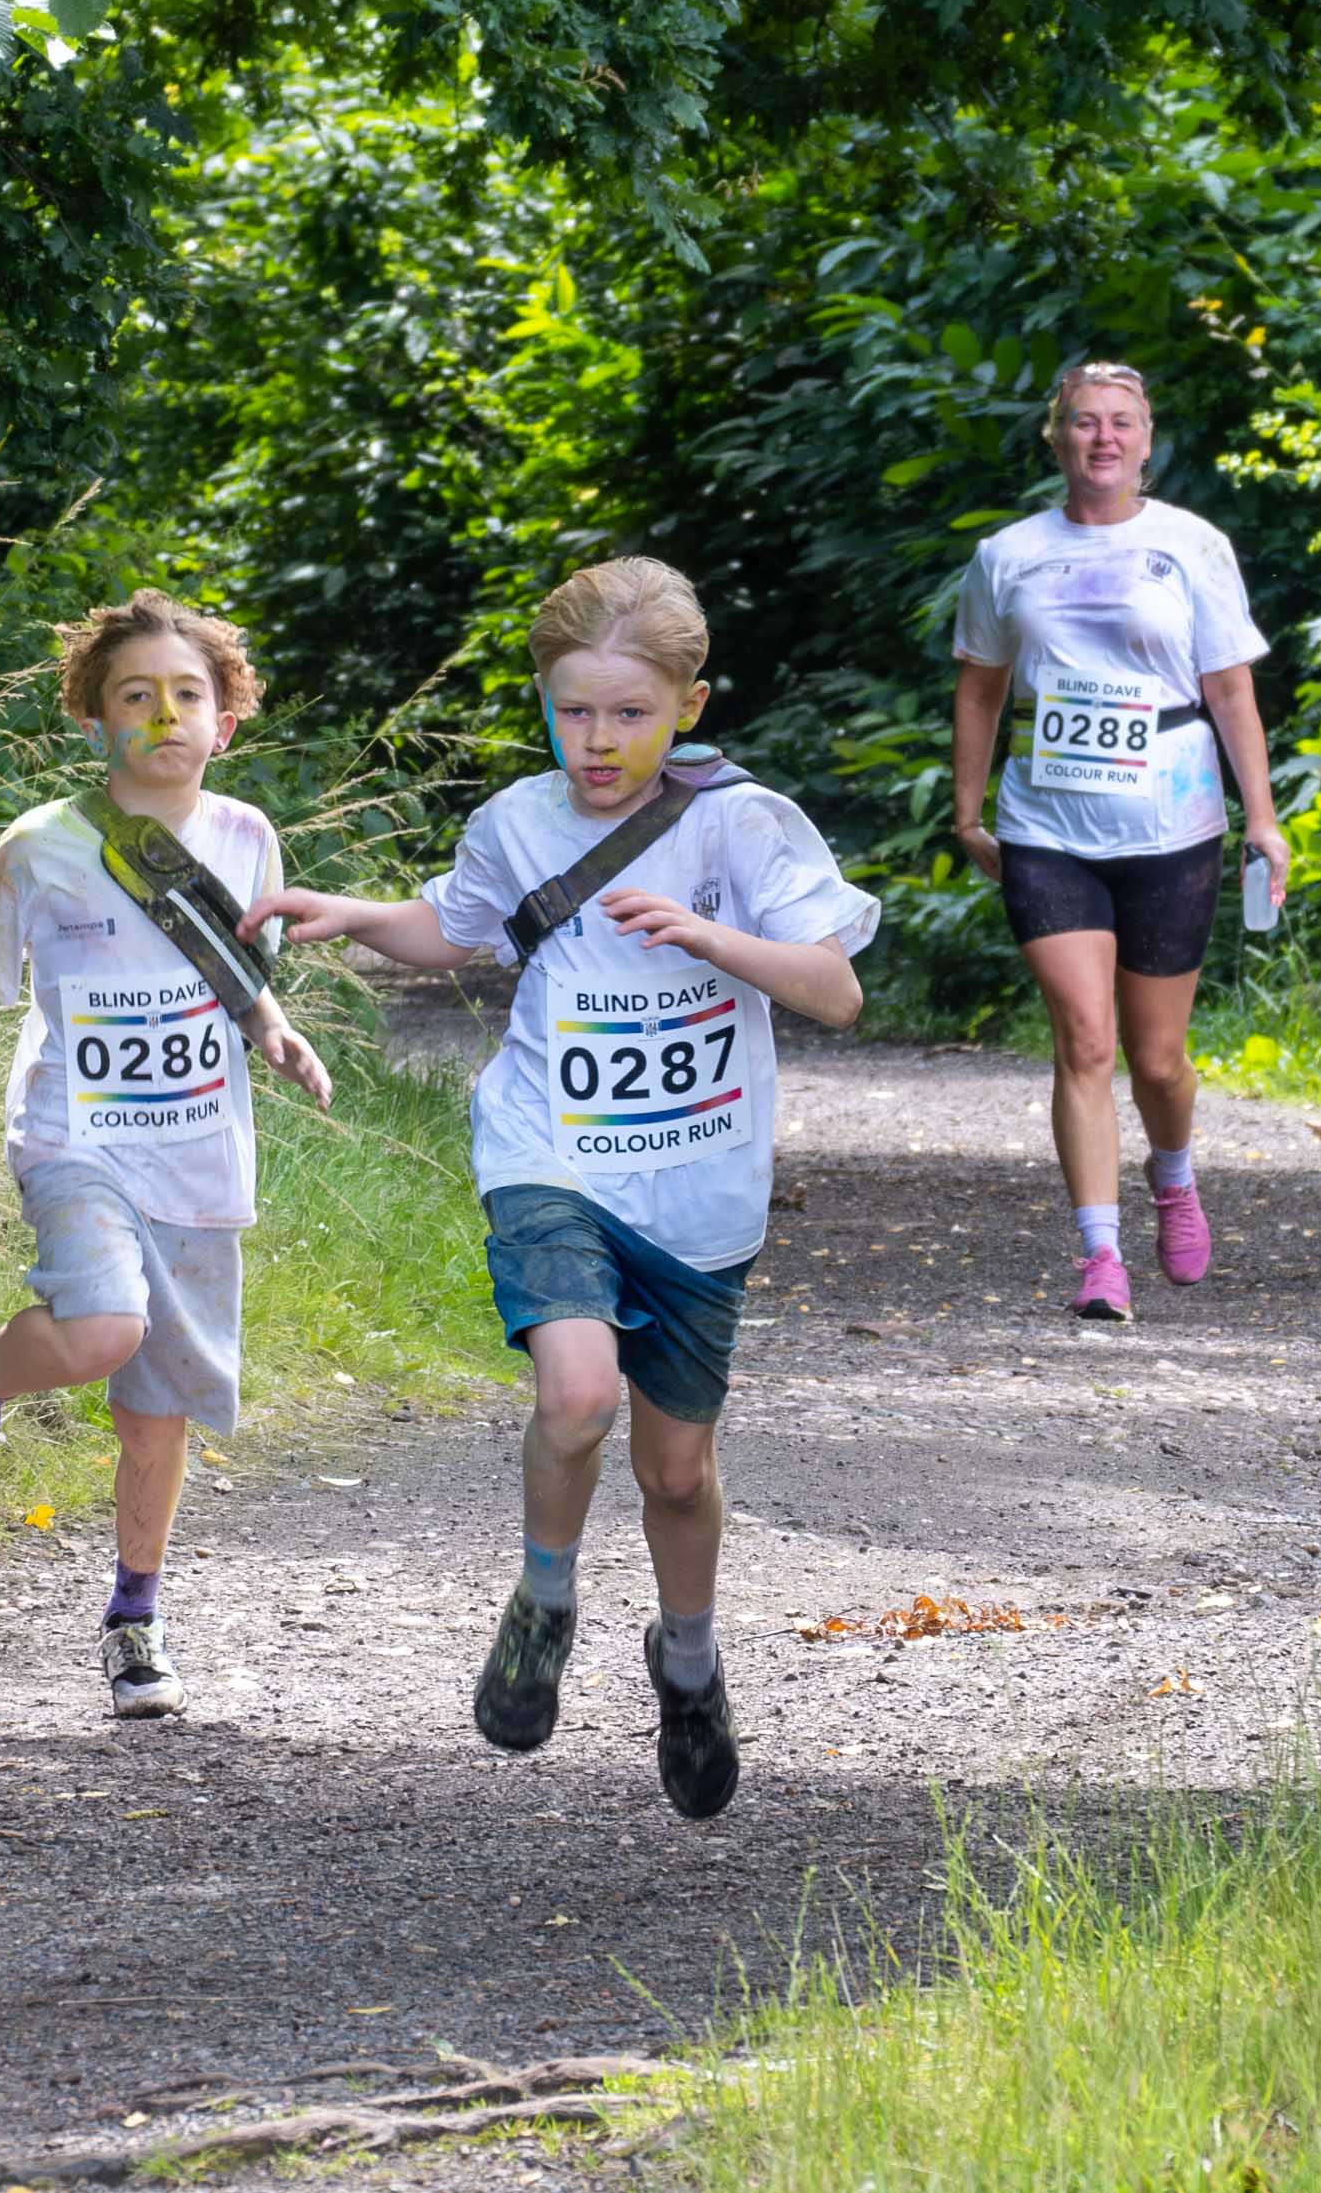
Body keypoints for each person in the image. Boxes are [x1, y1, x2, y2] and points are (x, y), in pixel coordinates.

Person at [259, 556, 873, 1820]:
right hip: (552, 1156)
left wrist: (714, 937)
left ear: (686, 708)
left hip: (699, 1193)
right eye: (574, 710)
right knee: (577, 1391)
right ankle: (545, 1595)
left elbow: (834, 988)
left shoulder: (742, 825)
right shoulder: (519, 821)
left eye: (630, 713)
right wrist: (357, 912)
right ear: (545, 702)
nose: (599, 739)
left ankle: (687, 1660)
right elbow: (460, 925)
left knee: (678, 1473)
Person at [0, 592, 337, 1719]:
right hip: (74, 1139)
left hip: (199, 1156)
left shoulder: (246, 838)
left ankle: (134, 1621)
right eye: (134, 695)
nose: (164, 715)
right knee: (103, 1327)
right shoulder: (42, 847)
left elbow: (241, 981)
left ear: (226, 720)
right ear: (96, 718)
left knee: (157, 1410)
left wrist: (276, 1034)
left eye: (188, 694)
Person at [947, 361, 1291, 1324]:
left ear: (1146, 440)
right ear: (1054, 437)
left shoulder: (1191, 545)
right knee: (1083, 1040)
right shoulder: (1008, 554)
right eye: (1084, 422)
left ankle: (1173, 1178)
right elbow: (979, 686)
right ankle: (1101, 1256)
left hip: (1171, 824)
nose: (1103, 438)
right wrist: (968, 813)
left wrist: (1261, 817)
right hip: (1048, 823)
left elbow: (1230, 688)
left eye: (1121, 423)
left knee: (1157, 1059)